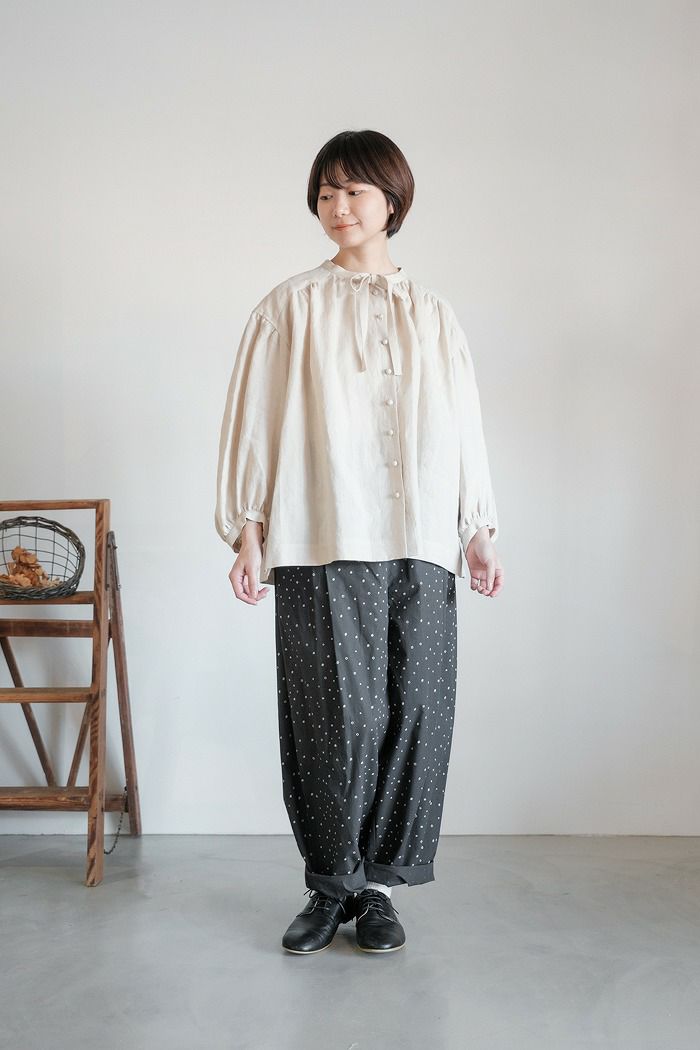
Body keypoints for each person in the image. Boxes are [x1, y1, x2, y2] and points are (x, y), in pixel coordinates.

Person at [215, 129, 505, 955]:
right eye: (325, 193)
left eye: (354, 191)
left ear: (392, 200)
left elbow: (464, 425)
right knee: (333, 716)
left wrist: (478, 527)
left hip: (423, 537)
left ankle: (378, 889)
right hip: (321, 535)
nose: (337, 207)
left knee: (415, 712)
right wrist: (247, 529)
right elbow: (253, 423)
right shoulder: (289, 307)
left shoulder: (434, 314)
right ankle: (329, 884)